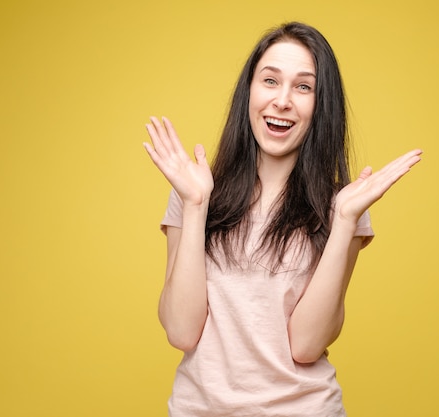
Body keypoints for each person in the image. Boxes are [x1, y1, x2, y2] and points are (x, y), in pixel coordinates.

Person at [143, 22, 421, 417]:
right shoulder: (194, 190)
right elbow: (181, 331)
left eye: (303, 87)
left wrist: (343, 222)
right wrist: (195, 204)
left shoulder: (341, 205)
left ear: (320, 105)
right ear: (249, 92)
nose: (283, 100)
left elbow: (306, 345)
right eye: (270, 81)